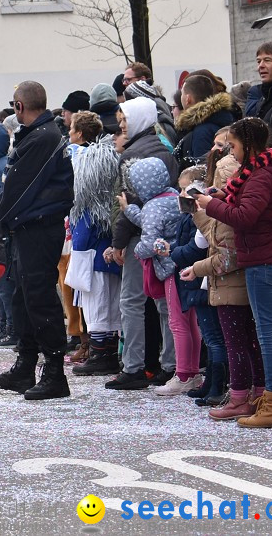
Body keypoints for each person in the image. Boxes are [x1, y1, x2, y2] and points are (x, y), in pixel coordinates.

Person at [192, 117, 272, 428]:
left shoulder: (261, 176)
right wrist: (215, 196)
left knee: (268, 334)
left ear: (249, 146)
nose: (232, 152)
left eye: (235, 146)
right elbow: (242, 200)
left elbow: (245, 216)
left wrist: (207, 204)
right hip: (270, 257)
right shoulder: (260, 172)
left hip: (264, 259)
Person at [0, 81, 74, 401]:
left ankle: (53, 372)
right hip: (30, 226)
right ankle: (25, 364)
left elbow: (19, 188)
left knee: (39, 298)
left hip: (38, 225)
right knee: (24, 297)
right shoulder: (42, 135)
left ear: (19, 107)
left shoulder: (42, 137)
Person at [105, 97, 178, 390]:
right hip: (165, 235)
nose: (122, 127)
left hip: (138, 236)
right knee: (164, 303)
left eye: (124, 121)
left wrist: (118, 242)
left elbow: (128, 203)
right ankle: (171, 363)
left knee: (131, 301)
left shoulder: (133, 154)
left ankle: (133, 366)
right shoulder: (165, 148)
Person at [190, 146, 265, 419]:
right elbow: (215, 235)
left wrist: (197, 268)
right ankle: (256, 393)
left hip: (231, 287)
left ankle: (240, 396)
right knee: (248, 341)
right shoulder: (231, 208)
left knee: (237, 343)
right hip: (236, 285)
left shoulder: (230, 211)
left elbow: (224, 255)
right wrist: (199, 211)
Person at [121, 158, 202, 395]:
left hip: (169, 267)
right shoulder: (172, 198)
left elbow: (148, 240)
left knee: (177, 323)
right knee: (190, 322)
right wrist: (132, 211)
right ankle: (192, 371)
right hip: (188, 264)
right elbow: (154, 220)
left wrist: (136, 252)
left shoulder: (153, 207)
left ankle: (183, 374)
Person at [66, 115, 123, 377]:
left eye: (71, 128)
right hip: (100, 247)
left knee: (98, 303)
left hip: (93, 251)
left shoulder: (90, 204)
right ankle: (106, 352)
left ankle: (103, 354)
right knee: (105, 301)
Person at [172, 75, 236, 169]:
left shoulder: (202, 131)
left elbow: (201, 169)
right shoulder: (217, 117)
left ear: (188, 98)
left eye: (182, 93)